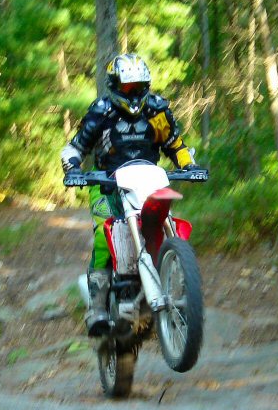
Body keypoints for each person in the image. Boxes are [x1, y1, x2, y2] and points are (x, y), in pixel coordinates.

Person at [60, 53, 199, 336]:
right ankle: (97, 307)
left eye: (137, 86)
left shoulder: (157, 110)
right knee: (103, 235)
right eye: (126, 88)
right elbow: (76, 147)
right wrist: (73, 168)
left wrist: (189, 166)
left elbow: (175, 144)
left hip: (149, 180)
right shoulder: (101, 111)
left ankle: (177, 278)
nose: (132, 93)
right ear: (114, 86)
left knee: (166, 220)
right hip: (106, 184)